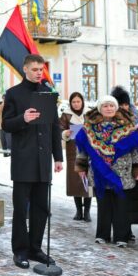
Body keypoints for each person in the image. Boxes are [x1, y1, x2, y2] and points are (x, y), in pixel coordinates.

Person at [2, 54, 63, 269]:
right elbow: (6, 125)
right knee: (21, 209)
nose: (39, 73)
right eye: (35, 69)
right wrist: (23, 119)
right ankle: (20, 250)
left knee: (41, 208)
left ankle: (35, 248)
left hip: (43, 161)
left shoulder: (48, 94)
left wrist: (58, 157)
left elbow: (55, 127)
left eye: (41, 69)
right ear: (25, 69)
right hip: (23, 160)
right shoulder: (13, 94)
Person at [75, 96, 138, 247]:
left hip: (123, 172)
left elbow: (136, 150)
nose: (109, 109)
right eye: (105, 106)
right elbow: (82, 149)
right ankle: (102, 234)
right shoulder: (90, 127)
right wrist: (81, 167)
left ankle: (122, 236)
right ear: (100, 108)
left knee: (122, 205)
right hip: (100, 172)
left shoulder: (128, 126)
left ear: (116, 108)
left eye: (111, 106)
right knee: (103, 204)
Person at [111, 86, 138, 234]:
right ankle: (119, 227)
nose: (124, 107)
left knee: (132, 197)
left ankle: (128, 228)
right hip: (115, 164)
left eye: (126, 104)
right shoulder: (110, 118)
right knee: (117, 198)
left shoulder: (136, 117)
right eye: (121, 104)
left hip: (133, 163)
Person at [59, 92, 91, 222]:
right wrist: (65, 132)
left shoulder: (89, 114)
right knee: (75, 181)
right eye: (74, 102)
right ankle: (78, 210)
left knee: (87, 181)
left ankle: (87, 212)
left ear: (82, 102)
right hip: (73, 152)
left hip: (88, 152)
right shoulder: (66, 115)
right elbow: (59, 129)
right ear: (70, 103)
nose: (76, 104)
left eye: (78, 101)